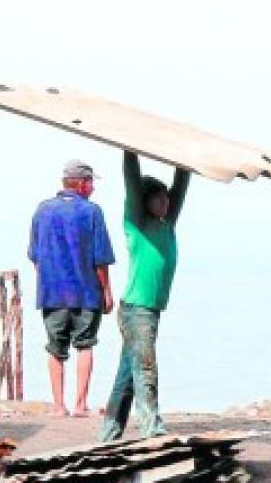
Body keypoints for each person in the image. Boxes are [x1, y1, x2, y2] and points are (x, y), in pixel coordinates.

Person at [100, 151, 190, 440]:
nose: (165, 202)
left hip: (149, 311)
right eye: (158, 198)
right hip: (137, 310)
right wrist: (130, 151)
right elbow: (131, 184)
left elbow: (181, 186)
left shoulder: (168, 224)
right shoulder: (137, 225)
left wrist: (184, 160)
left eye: (166, 197)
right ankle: (152, 429)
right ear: (145, 201)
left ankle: (109, 433)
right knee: (145, 368)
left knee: (127, 378)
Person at [28, 159, 114, 417]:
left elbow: (34, 254)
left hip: (52, 293)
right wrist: (107, 292)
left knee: (55, 348)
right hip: (86, 292)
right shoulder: (92, 212)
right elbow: (100, 259)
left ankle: (58, 406)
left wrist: (48, 278)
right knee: (85, 345)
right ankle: (79, 405)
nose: (93, 188)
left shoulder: (42, 210)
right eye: (90, 183)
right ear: (80, 184)